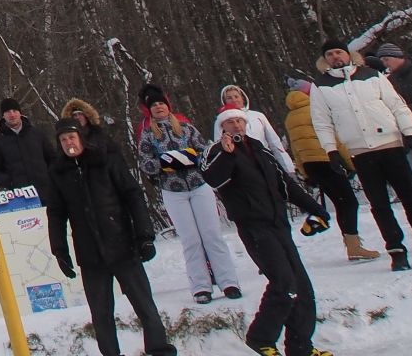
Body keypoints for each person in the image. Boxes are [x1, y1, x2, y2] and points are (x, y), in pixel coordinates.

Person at [202, 110, 329, 356]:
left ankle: (300, 347)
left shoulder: (260, 149)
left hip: (278, 223)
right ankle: (260, 337)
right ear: (222, 127)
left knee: (302, 287)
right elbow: (213, 179)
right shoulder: (217, 152)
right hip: (253, 226)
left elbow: (285, 184)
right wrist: (227, 155)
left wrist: (317, 209)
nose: (236, 125)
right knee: (284, 282)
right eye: (230, 121)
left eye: (240, 120)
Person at [42, 122, 174, 356]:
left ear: (81, 138)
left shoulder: (105, 160)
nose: (68, 143)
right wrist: (59, 250)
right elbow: (56, 213)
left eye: (72, 137)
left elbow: (133, 195)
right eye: (63, 140)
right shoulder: (58, 172)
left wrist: (144, 236)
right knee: (101, 314)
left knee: (144, 305)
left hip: (122, 244)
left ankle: (159, 348)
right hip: (90, 254)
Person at [309, 36, 412, 270]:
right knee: (380, 204)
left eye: (339, 53)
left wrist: (410, 134)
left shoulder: (371, 76)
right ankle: (396, 249)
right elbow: (322, 121)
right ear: (324, 60)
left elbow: (397, 105)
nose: (335, 57)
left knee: (411, 197)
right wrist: (331, 150)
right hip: (360, 151)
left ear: (348, 55)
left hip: (391, 143)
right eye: (330, 54)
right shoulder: (321, 86)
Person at [136, 88, 241, 303]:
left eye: (161, 103)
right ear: (150, 110)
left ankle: (229, 282)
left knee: (212, 234)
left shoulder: (185, 127)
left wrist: (189, 159)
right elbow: (145, 163)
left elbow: (204, 150)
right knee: (191, 239)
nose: (158, 107)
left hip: (198, 185)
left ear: (167, 105)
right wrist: (168, 163)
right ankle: (200, 286)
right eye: (154, 105)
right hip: (173, 191)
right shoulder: (147, 134)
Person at [283, 76, 378, 261]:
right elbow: (334, 137)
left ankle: (351, 244)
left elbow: (295, 146)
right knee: (350, 203)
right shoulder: (316, 110)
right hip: (327, 159)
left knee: (341, 202)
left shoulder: (290, 117)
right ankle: (353, 245)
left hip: (312, 165)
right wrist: (350, 163)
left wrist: (303, 170)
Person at [378, 42, 412, 210]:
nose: (385, 63)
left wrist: (406, 111)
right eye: (382, 60)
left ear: (399, 57)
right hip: (410, 142)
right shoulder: (387, 83)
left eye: (387, 59)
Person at [212, 84, 294, 175]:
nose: (234, 100)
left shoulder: (258, 116)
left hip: (266, 162)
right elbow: (219, 147)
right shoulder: (222, 121)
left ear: (242, 98)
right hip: (243, 168)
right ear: (224, 101)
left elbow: (275, 143)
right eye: (229, 98)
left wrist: (288, 168)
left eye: (236, 96)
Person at [0, 98, 54, 193]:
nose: (12, 114)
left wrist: (48, 177)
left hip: (46, 192)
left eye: (14, 111)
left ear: (20, 113)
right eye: (8, 112)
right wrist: (10, 182)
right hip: (18, 197)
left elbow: (53, 158)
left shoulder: (37, 135)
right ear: (3, 116)